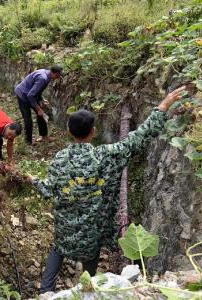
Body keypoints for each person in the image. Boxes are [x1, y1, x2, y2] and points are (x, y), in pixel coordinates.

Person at [24, 86, 186, 293]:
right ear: (93, 131)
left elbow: (48, 190)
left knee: (57, 253)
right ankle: (88, 291)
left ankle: (45, 294)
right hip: (93, 232)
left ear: (68, 131)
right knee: (90, 268)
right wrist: (163, 106)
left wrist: (31, 179)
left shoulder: (59, 160)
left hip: (65, 230)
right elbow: (137, 139)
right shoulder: (106, 156)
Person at [15, 65, 63, 145]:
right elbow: (30, 95)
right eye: (59, 75)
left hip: (30, 94)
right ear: (55, 73)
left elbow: (37, 90)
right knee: (28, 119)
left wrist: (42, 99)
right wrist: (39, 109)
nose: (58, 77)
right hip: (22, 95)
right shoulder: (43, 78)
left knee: (41, 115)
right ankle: (28, 142)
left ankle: (44, 136)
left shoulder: (47, 75)